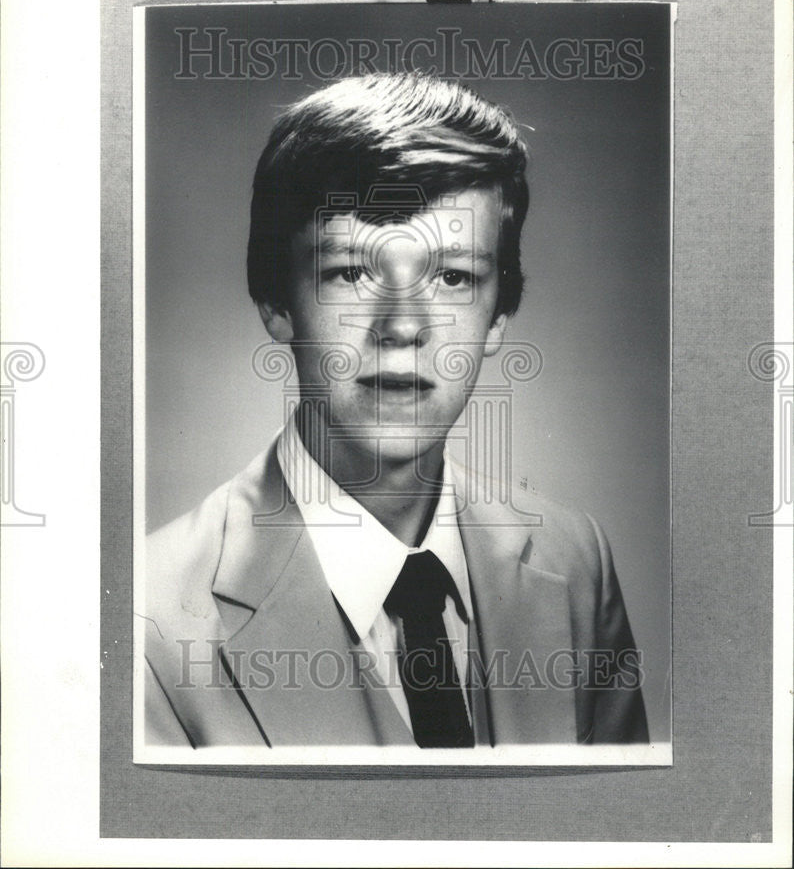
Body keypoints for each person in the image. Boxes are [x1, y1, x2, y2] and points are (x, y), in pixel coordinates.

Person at [142, 72, 649, 749]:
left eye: (453, 277)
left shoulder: (575, 559)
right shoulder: (145, 625)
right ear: (275, 299)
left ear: (498, 314)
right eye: (351, 272)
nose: (402, 326)